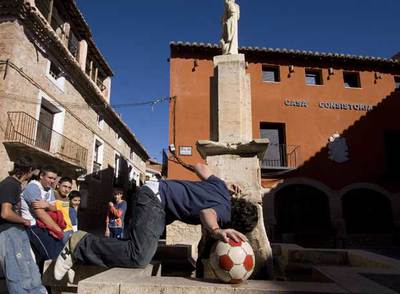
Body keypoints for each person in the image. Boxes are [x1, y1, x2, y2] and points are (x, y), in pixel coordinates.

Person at [54, 163, 256, 280]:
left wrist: (223, 181)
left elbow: (200, 166)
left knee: (132, 245)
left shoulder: (221, 187)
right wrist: (216, 229)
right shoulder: (224, 212)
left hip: (154, 196)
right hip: (155, 200)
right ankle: (79, 244)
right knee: (139, 257)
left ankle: (81, 261)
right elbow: (206, 212)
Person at [0, 156, 47, 294]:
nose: (32, 176)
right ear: (29, 170)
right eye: (33, 172)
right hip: (9, 232)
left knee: (26, 269)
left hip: (15, 232)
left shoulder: (14, 184)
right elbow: (6, 213)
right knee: (17, 272)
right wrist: (24, 221)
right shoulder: (10, 184)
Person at [21, 165, 64, 265]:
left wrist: (47, 205)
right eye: (50, 178)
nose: (52, 181)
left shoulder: (49, 190)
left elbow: (54, 208)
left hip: (44, 225)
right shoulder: (33, 187)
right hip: (32, 225)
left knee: (60, 250)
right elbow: (39, 213)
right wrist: (58, 229)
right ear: (41, 176)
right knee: (52, 256)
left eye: (54, 179)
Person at [54, 177, 74, 243]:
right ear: (58, 185)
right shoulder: (52, 195)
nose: (67, 190)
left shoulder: (67, 199)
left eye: (69, 188)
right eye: (65, 186)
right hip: (59, 230)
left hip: (69, 230)